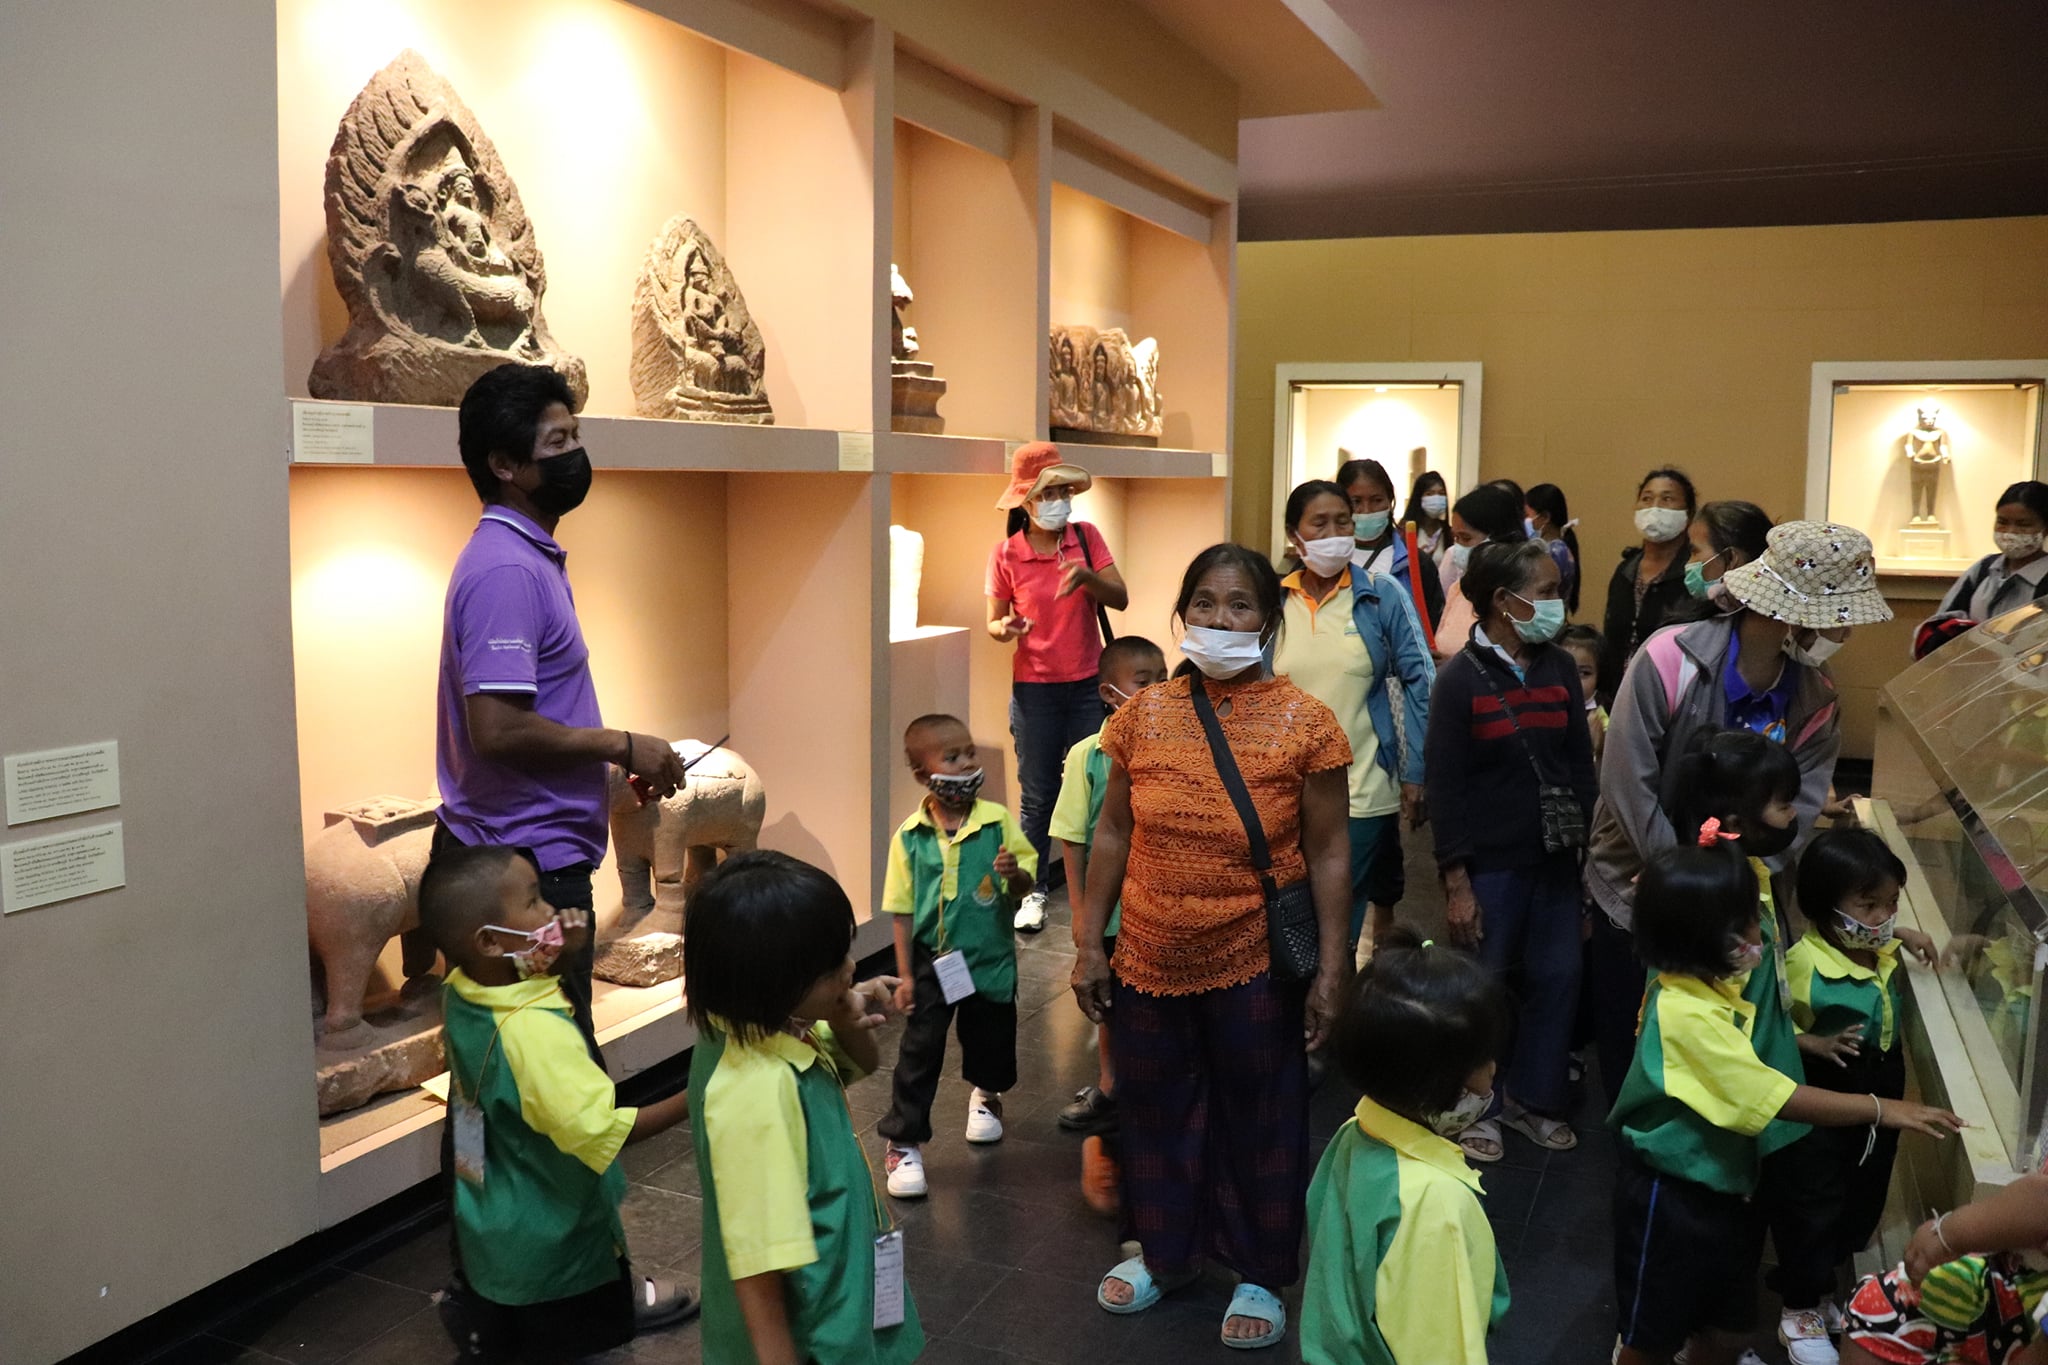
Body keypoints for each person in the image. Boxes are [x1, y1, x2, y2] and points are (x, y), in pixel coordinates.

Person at [1071, 543, 1353, 1351]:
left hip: (1254, 955)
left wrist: (1334, 967)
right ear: (1181, 613)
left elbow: (1330, 851)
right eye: (1203, 603)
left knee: (1260, 1114)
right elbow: (1112, 830)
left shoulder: (1307, 723)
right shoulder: (1142, 715)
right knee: (1154, 1105)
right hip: (1149, 952)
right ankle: (1167, 1253)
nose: (1219, 618)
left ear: (1267, 620)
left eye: (1238, 605)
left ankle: (1259, 1268)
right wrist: (1089, 943)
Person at [1610, 837, 1965, 1365]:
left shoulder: (1712, 983)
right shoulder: (1686, 1014)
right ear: (1705, 938)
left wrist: (1897, 932)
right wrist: (1882, 1109)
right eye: (1749, 924)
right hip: (1673, 1197)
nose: (1763, 934)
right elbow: (1777, 1097)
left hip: (1724, 1185)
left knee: (1727, 1325)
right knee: (1653, 1332)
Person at [1583, 520, 1889, 1105]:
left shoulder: (1817, 695)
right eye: (1838, 619)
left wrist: (1737, 890)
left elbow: (1800, 805)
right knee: (1641, 1041)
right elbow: (1627, 782)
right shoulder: (1668, 659)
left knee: (1724, 1047)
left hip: (1741, 904)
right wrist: (1683, 881)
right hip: (1639, 882)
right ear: (1791, 617)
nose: (1845, 633)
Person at [434, 363, 689, 1052]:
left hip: (532, 855)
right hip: (523, 871)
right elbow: (496, 729)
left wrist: (606, 777)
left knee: (530, 1065)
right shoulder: (508, 571)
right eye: (557, 442)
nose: (576, 454)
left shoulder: (528, 556)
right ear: (504, 464)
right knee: (554, 1073)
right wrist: (620, 744)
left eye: (575, 436)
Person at [419, 845, 696, 1363]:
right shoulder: (535, 1036)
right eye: (533, 901)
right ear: (490, 940)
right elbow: (603, 1131)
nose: (550, 909)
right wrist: (695, 1096)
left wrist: (562, 952)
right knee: (564, 1339)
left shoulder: (462, 989)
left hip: (493, 1219)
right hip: (551, 1246)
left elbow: (514, 973)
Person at [684, 850, 925, 1365]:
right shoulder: (755, 1093)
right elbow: (758, 1267)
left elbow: (863, 1063)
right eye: (830, 968)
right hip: (811, 1331)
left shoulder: (768, 1031)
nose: (851, 969)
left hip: (836, 1292)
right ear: (771, 981)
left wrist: (841, 1013)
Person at [1424, 540, 1597, 1161]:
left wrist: (1585, 860)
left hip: (1555, 860)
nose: (1559, 604)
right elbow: (1445, 787)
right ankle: (1481, 1106)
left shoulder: (1558, 669)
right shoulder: (1458, 681)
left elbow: (1579, 766)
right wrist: (1457, 882)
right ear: (1504, 600)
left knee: (1558, 978)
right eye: (1546, 592)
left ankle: (1533, 1099)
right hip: (1489, 866)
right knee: (1484, 988)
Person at [1301, 931, 1511, 1364]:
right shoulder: (1435, 1200)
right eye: (1482, 1058)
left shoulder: (1353, 1135)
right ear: (1436, 1081)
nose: (1493, 1069)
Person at [1772, 828, 1939, 1364]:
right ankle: (1799, 1305)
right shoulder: (1803, 966)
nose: (1883, 917)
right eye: (1869, 906)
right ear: (1827, 907)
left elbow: (1879, 935)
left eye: (1892, 903)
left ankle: (1824, 1285)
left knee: (1861, 1193)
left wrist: (1902, 933)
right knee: (1813, 1200)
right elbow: (1768, 1031)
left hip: (1878, 1088)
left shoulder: (1877, 946)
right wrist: (1813, 1042)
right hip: (1826, 1095)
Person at [878, 714, 1036, 1199]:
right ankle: (903, 1140)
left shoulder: (998, 821)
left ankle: (987, 1094)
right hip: (934, 959)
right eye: (952, 757)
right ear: (922, 773)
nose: (967, 763)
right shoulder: (909, 836)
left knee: (992, 1037)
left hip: (989, 957)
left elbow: (1025, 883)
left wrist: (1014, 874)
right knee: (920, 1048)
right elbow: (902, 909)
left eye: (969, 752)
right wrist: (905, 975)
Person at [1276, 479, 1437, 954]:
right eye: (1319, 524)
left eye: (1342, 522)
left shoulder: (1380, 594)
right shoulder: (1273, 601)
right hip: (1280, 791)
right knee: (1290, 921)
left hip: (1360, 790)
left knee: (1339, 924)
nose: (1334, 534)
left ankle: (1335, 994)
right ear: (1294, 535)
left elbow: (1422, 680)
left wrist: (1415, 770)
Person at [987, 443, 1127, 933]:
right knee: (1038, 794)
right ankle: (1034, 891)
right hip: (1035, 690)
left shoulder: (1086, 537)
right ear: (1026, 500)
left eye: (1064, 491)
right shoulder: (1007, 553)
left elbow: (1120, 597)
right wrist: (1005, 628)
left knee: (1094, 787)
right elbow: (994, 621)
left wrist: (1087, 578)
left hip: (1089, 684)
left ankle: (1096, 889)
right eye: (1049, 493)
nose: (1059, 501)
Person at [1050, 635, 1169, 1208]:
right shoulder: (1087, 755)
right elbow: (1074, 837)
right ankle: (1109, 1090)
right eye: (1144, 681)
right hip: (1115, 909)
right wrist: (1082, 915)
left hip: (1162, 907)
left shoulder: (1177, 743)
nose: (1157, 690)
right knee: (1112, 1005)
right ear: (1108, 692)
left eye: (1163, 678)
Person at [1840, 1174, 2048, 1365]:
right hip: (2017, 1289)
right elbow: (2039, 1198)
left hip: (2028, 1325)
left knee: (1874, 1310)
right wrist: (1946, 1237)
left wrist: (1946, 1237)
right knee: (1874, 1306)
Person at [1916, 480, 2048, 659]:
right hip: (1971, 670)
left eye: (2023, 524)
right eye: (2002, 522)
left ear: (2045, 528)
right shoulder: (1983, 569)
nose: (2010, 532)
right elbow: (1943, 622)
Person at [1600, 467, 1698, 696]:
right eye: (1647, 498)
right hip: (1620, 695)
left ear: (1689, 513)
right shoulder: (1625, 571)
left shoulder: (1694, 574)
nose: (1655, 507)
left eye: (1667, 499)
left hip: (1674, 694)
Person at [1340, 457, 1444, 631]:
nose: (1367, 510)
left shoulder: (1416, 563)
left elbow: (1433, 625)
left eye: (1376, 500)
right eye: (1356, 501)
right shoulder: (1325, 559)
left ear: (1390, 502)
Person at [1434, 483, 1530, 662]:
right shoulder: (1458, 589)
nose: (1457, 547)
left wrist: (1456, 666)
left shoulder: (1520, 596)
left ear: (1497, 538)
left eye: (1466, 538)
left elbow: (1516, 661)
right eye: (1455, 538)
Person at [1526, 482, 1581, 615]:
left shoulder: (1555, 552)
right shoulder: (1551, 548)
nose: (1525, 521)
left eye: (1527, 515)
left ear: (1545, 517)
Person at [1559, 625, 1608, 766]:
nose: (1572, 681)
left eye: (1584, 673)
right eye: (1564, 670)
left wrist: (1598, 748)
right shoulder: (1539, 708)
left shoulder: (1603, 721)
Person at [1403, 470, 1452, 566]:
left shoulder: (1449, 533)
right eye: (1430, 494)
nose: (1436, 498)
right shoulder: (1405, 530)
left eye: (1441, 493)